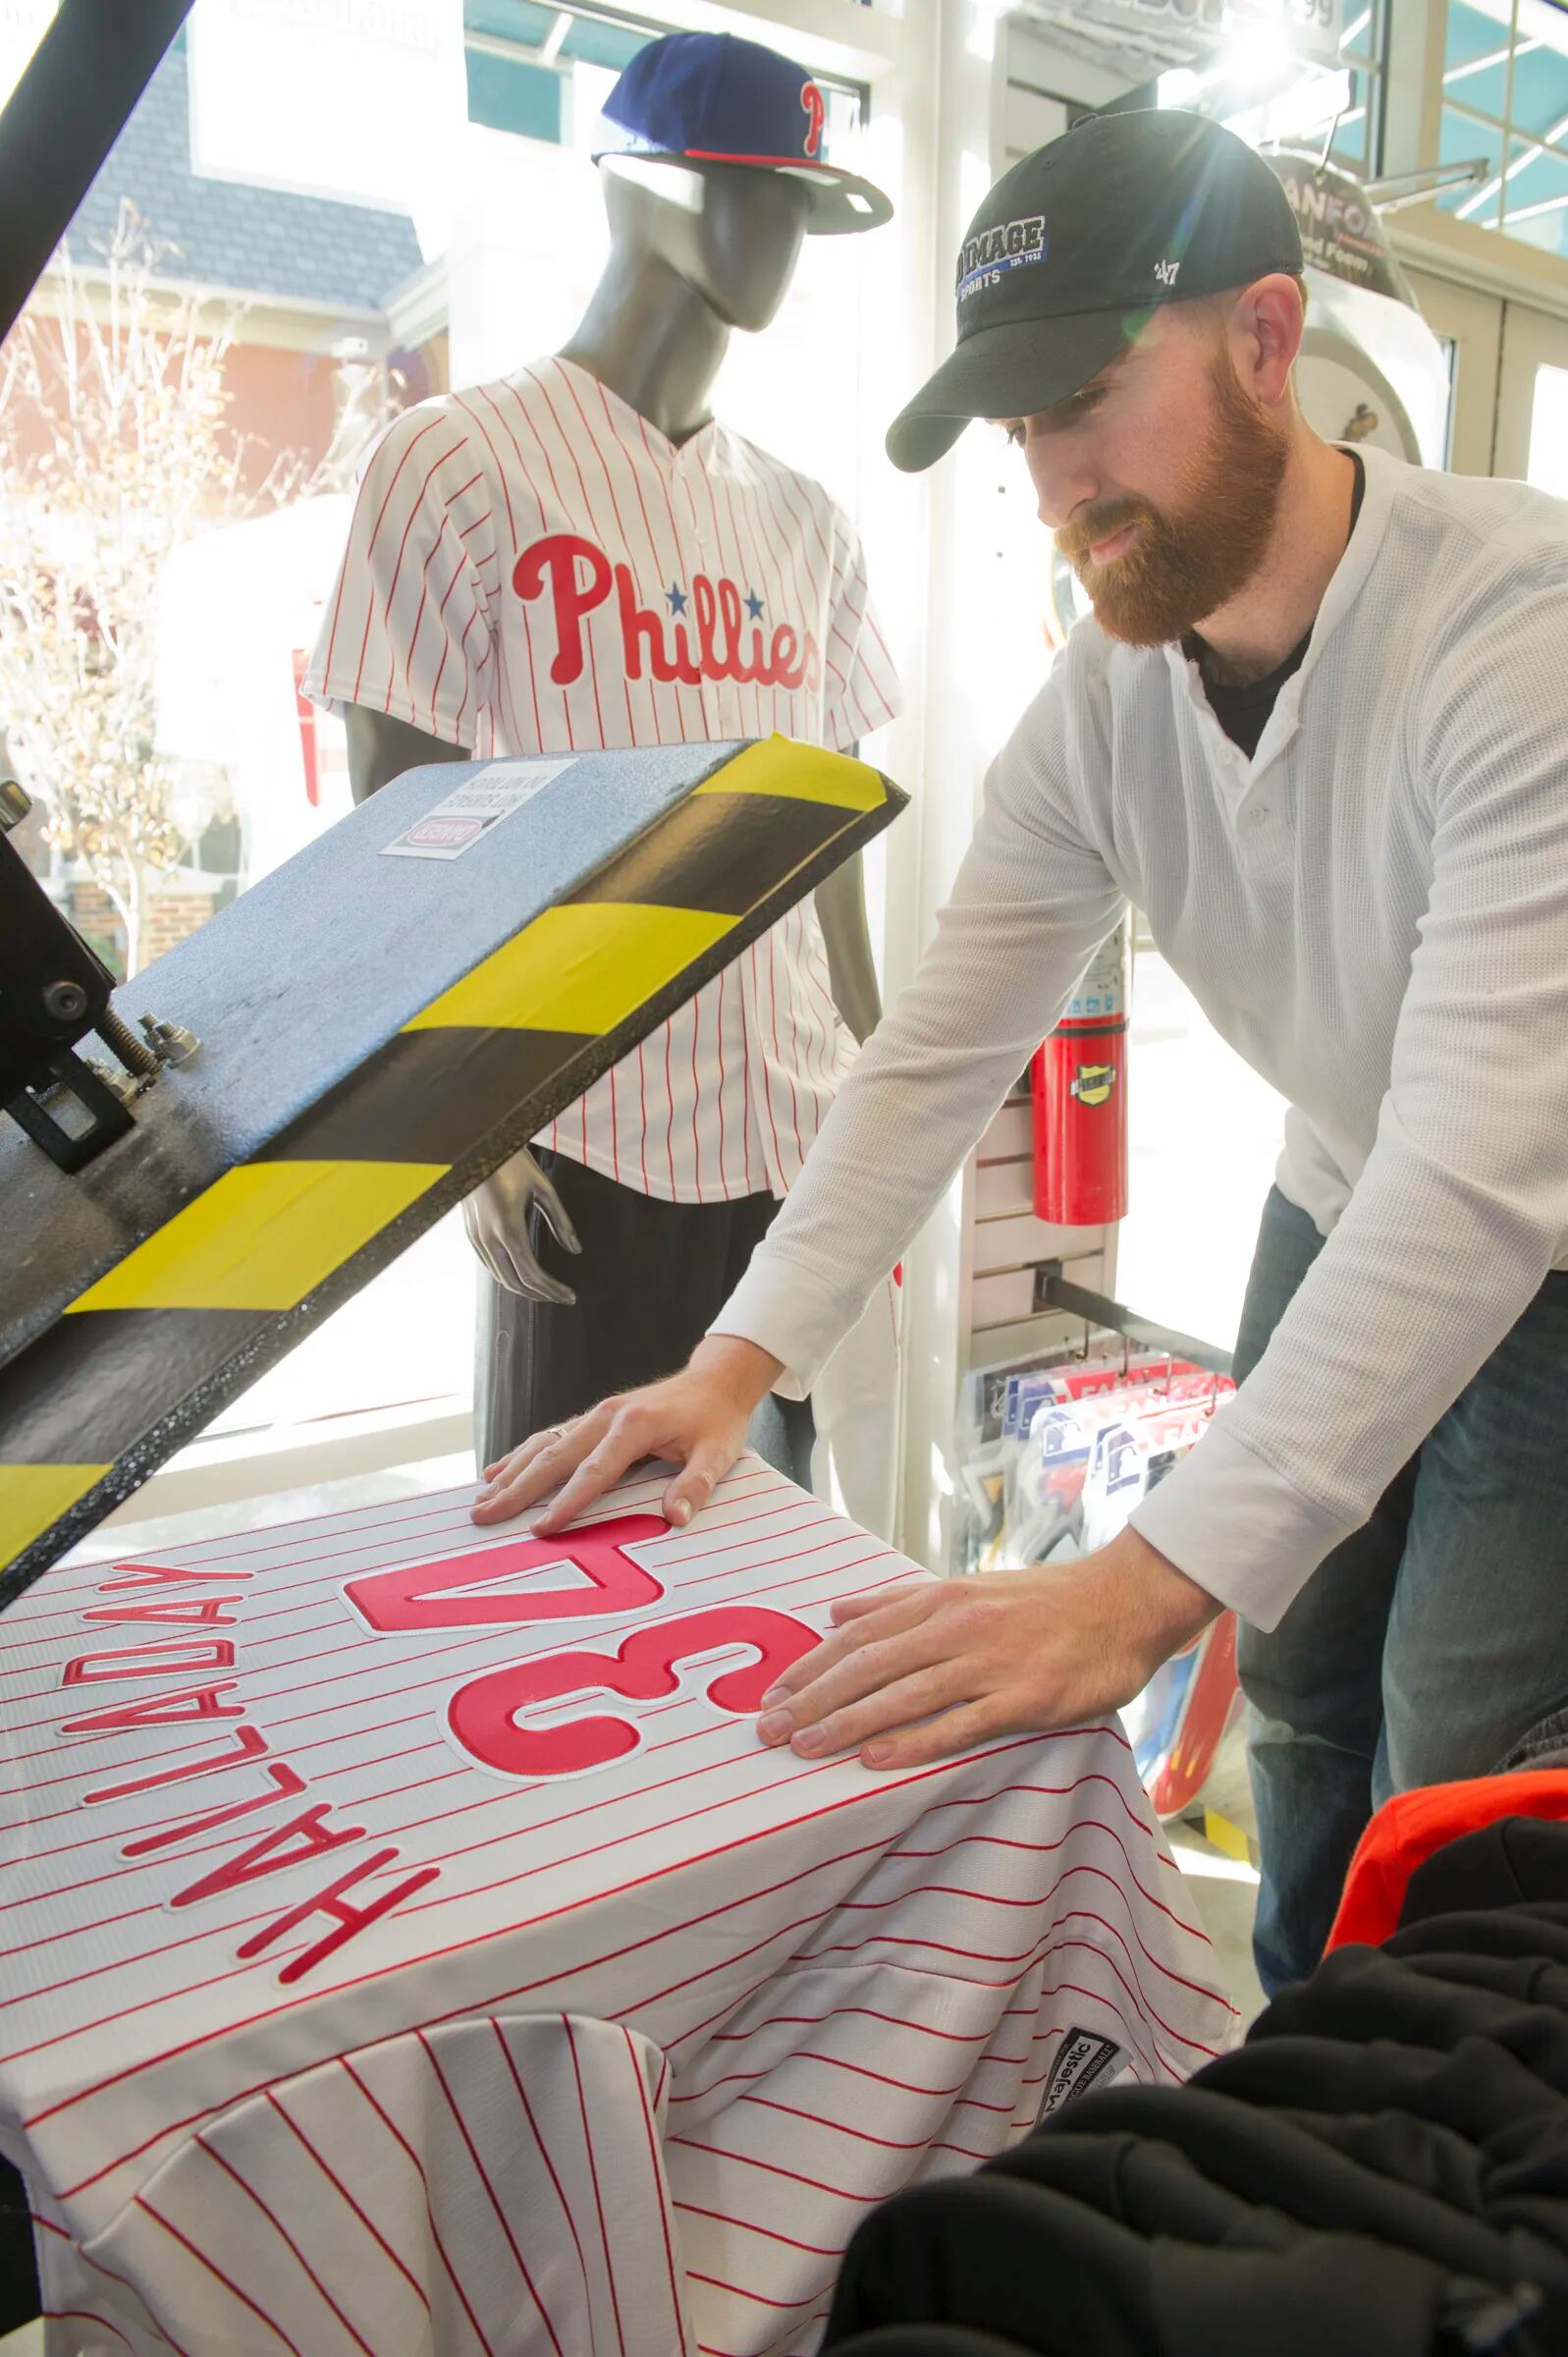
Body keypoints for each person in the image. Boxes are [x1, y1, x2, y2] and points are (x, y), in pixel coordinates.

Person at [470, 107, 1568, 1994]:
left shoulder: (1515, 627)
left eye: (1085, 396)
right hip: (1337, 1177)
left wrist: (1130, 1593)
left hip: (1541, 1236)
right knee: (1300, 1673)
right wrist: (737, 1367)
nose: (1056, 479)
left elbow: (1474, 1177)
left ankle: (1418, 2140)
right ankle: (1295, 2062)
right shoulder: (1105, 704)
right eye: (1020, 429)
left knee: (1449, 1721)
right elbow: (932, 1052)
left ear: (1265, 336)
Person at [304, 29, 903, 1527]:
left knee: (781, 1575)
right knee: (566, 1583)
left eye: (797, 207)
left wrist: (888, 1080)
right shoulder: (457, 462)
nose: (777, 237)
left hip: (799, 1145)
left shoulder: (806, 518)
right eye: (747, 194)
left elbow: (827, 838)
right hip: (589, 1139)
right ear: (637, 192)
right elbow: (397, 836)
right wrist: (465, 1128)